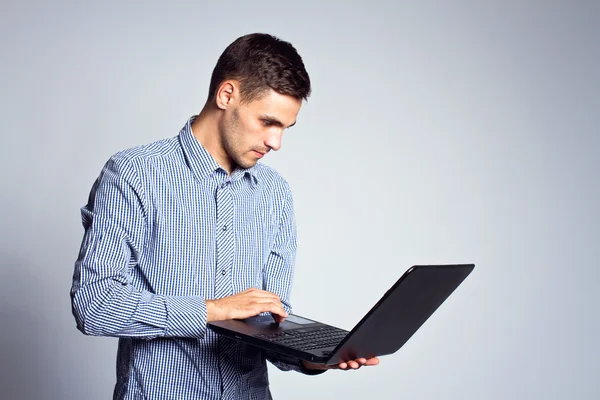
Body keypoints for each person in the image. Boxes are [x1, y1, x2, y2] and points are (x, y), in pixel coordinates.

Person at [70, 32, 378, 400]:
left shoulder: (275, 193)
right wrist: (214, 309)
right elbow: (94, 304)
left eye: (285, 128)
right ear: (226, 95)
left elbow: (269, 322)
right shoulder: (135, 174)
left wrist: (315, 357)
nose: (276, 143)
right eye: (268, 122)